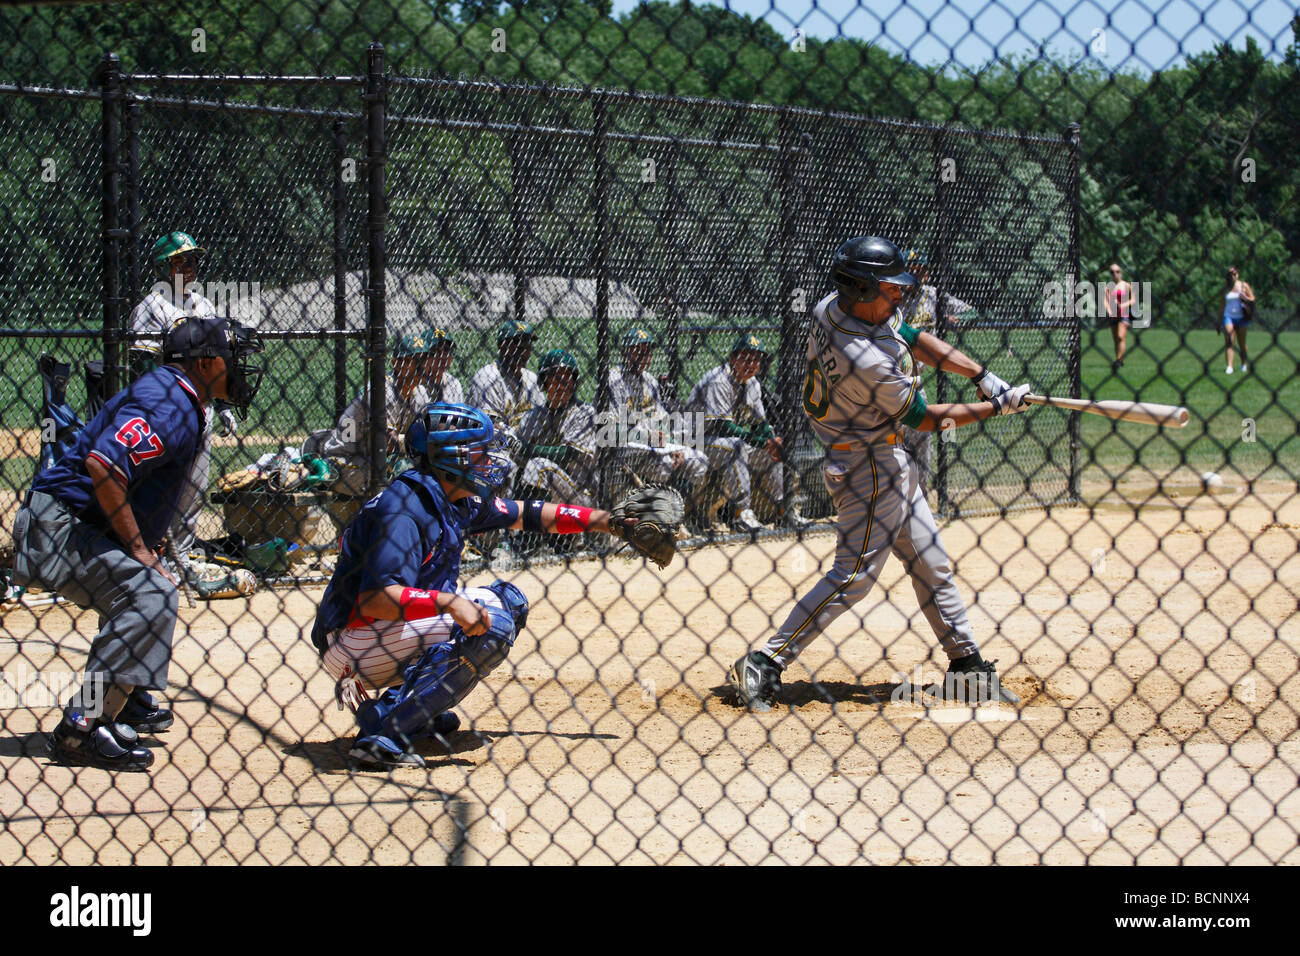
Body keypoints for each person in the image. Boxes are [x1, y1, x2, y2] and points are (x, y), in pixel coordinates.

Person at [727, 236, 1029, 712]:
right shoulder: (863, 359)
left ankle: (966, 666)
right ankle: (766, 660)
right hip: (868, 465)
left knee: (931, 562)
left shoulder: (834, 306)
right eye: (890, 289)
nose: (900, 296)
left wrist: (982, 375)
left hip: (886, 457)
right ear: (864, 289)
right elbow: (926, 419)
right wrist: (995, 407)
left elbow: (909, 337)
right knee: (855, 577)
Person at [309, 401, 656, 770]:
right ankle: (383, 728)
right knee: (493, 620)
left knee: (510, 601)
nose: (488, 459)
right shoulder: (406, 508)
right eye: (479, 451)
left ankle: (409, 711)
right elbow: (376, 599)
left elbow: (529, 514)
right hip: (353, 637)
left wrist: (610, 522)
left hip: (382, 632)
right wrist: (449, 604)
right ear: (449, 457)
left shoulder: (450, 496)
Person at [10, 316, 264, 770]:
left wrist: (149, 536)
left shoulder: (179, 397)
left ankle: (119, 699)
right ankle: (82, 726)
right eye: (233, 359)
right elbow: (105, 464)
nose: (240, 369)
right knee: (151, 593)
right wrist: (138, 549)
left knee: (148, 587)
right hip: (61, 528)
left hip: (76, 524)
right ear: (205, 364)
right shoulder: (169, 403)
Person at [128, 231, 239, 586]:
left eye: (191, 259)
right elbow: (142, 363)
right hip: (167, 412)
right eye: (180, 260)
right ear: (163, 266)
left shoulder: (202, 306)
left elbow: (216, 361)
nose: (188, 266)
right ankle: (151, 560)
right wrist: (152, 409)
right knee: (162, 488)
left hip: (200, 410)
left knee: (193, 489)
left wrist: (222, 405)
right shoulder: (151, 307)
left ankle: (182, 560)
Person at [302, 331, 433, 496]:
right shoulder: (383, 390)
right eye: (411, 360)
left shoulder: (420, 392)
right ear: (395, 363)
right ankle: (319, 467)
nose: (419, 367)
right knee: (403, 474)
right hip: (343, 460)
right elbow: (387, 442)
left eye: (423, 360)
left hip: (375, 459)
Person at [687, 333, 788, 532]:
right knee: (736, 445)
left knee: (773, 447)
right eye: (746, 358)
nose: (752, 364)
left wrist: (770, 440)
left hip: (725, 443)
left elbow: (761, 424)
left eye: (756, 359)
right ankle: (742, 515)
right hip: (695, 440)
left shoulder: (752, 383)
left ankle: (785, 510)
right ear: (733, 358)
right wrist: (761, 442)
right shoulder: (719, 380)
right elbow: (722, 426)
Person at [605, 327, 707, 506]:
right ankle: (656, 513)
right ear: (624, 352)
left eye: (647, 351)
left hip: (655, 445)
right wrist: (649, 438)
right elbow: (613, 430)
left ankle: (677, 512)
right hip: (623, 446)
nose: (643, 356)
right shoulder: (613, 379)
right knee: (666, 463)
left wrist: (674, 445)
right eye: (637, 351)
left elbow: (663, 421)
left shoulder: (650, 380)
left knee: (699, 460)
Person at [516, 349, 600, 509]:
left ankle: (544, 532)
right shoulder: (531, 417)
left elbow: (568, 454)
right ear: (543, 382)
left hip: (581, 493)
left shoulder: (585, 413)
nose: (561, 384)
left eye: (566, 377)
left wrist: (526, 449)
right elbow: (517, 456)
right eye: (554, 377)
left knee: (537, 465)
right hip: (544, 489)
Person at [1221, 266, 1255, 375]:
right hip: (1228, 316)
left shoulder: (1243, 286)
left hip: (1242, 317)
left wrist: (1245, 298)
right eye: (1229, 274)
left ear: (1237, 274)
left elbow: (1252, 299)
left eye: (1234, 274)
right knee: (1229, 341)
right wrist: (1219, 320)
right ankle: (1229, 366)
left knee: (1241, 343)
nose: (1232, 276)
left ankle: (1243, 363)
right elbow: (1222, 305)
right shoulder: (1225, 288)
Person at [1104, 262, 1134, 370]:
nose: (1115, 274)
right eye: (1112, 272)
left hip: (1123, 314)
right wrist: (1108, 309)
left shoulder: (1126, 285)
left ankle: (1118, 360)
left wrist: (1122, 305)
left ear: (1120, 272)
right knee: (1116, 339)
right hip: (1113, 315)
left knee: (1121, 336)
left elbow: (1133, 300)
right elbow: (1105, 301)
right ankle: (1119, 359)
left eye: (1117, 271)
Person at [424, 327, 464, 404]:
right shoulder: (417, 383)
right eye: (436, 351)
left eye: (447, 350)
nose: (443, 356)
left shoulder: (454, 384)